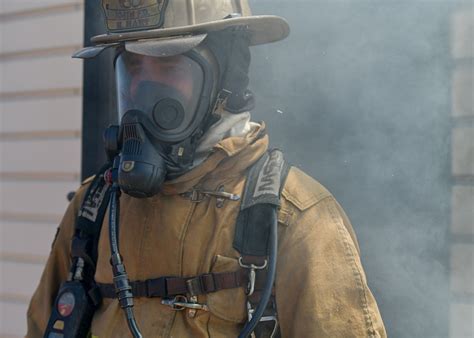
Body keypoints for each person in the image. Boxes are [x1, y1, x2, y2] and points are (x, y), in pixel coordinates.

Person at [26, 1, 387, 337]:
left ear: (226, 75)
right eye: (133, 67)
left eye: (167, 66)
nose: (141, 89)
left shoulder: (294, 219)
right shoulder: (96, 206)